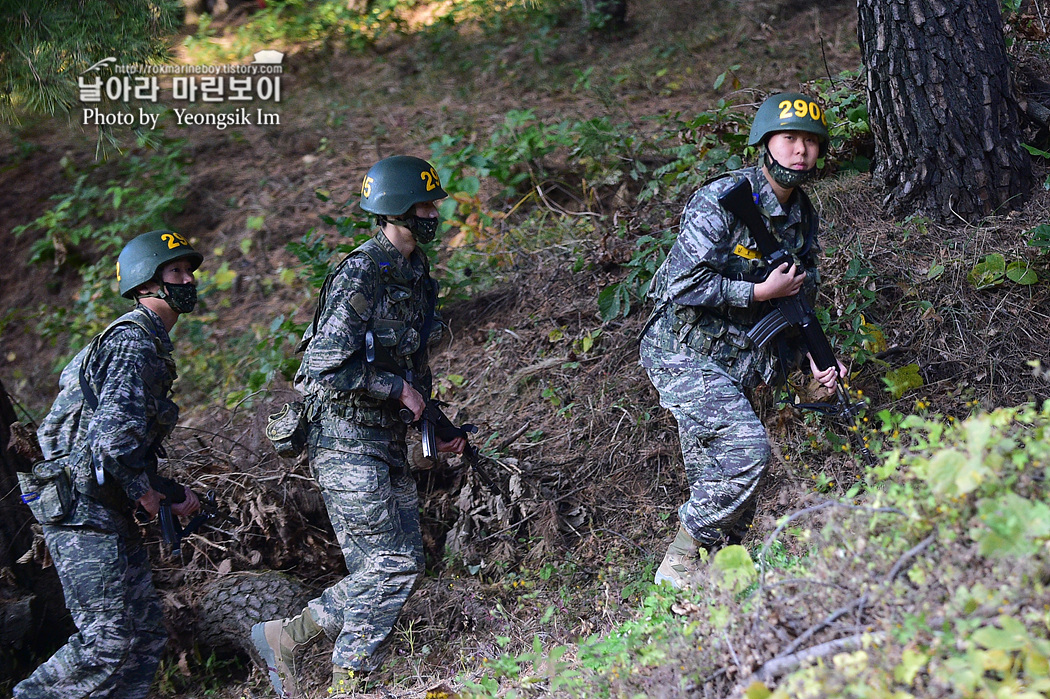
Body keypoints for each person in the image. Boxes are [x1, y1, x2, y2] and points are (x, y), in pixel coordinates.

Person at [251, 155, 466, 698]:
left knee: (400, 562)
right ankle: (350, 679)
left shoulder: (417, 276)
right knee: (389, 564)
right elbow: (326, 362)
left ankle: (286, 637)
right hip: (342, 435)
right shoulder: (362, 271)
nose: (433, 213)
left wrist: (434, 422)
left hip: (383, 436)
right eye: (424, 205)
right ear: (395, 209)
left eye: (434, 204)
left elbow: (414, 367)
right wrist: (397, 391)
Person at [640, 92, 848, 590]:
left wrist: (814, 365)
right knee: (747, 451)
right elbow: (680, 285)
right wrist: (756, 289)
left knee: (727, 487)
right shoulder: (724, 199)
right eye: (790, 138)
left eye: (810, 142)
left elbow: (796, 304)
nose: (800, 151)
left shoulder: (803, 215)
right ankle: (679, 558)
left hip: (738, 362)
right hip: (683, 351)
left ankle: (711, 589)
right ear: (765, 143)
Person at [15, 230, 204, 698]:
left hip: (99, 501)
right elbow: (114, 438)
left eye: (188, 271)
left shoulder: (147, 341)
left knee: (143, 637)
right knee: (108, 639)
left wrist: (163, 491)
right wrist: (148, 492)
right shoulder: (134, 342)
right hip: (81, 508)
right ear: (145, 285)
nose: (188, 280)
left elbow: (115, 442)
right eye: (175, 272)